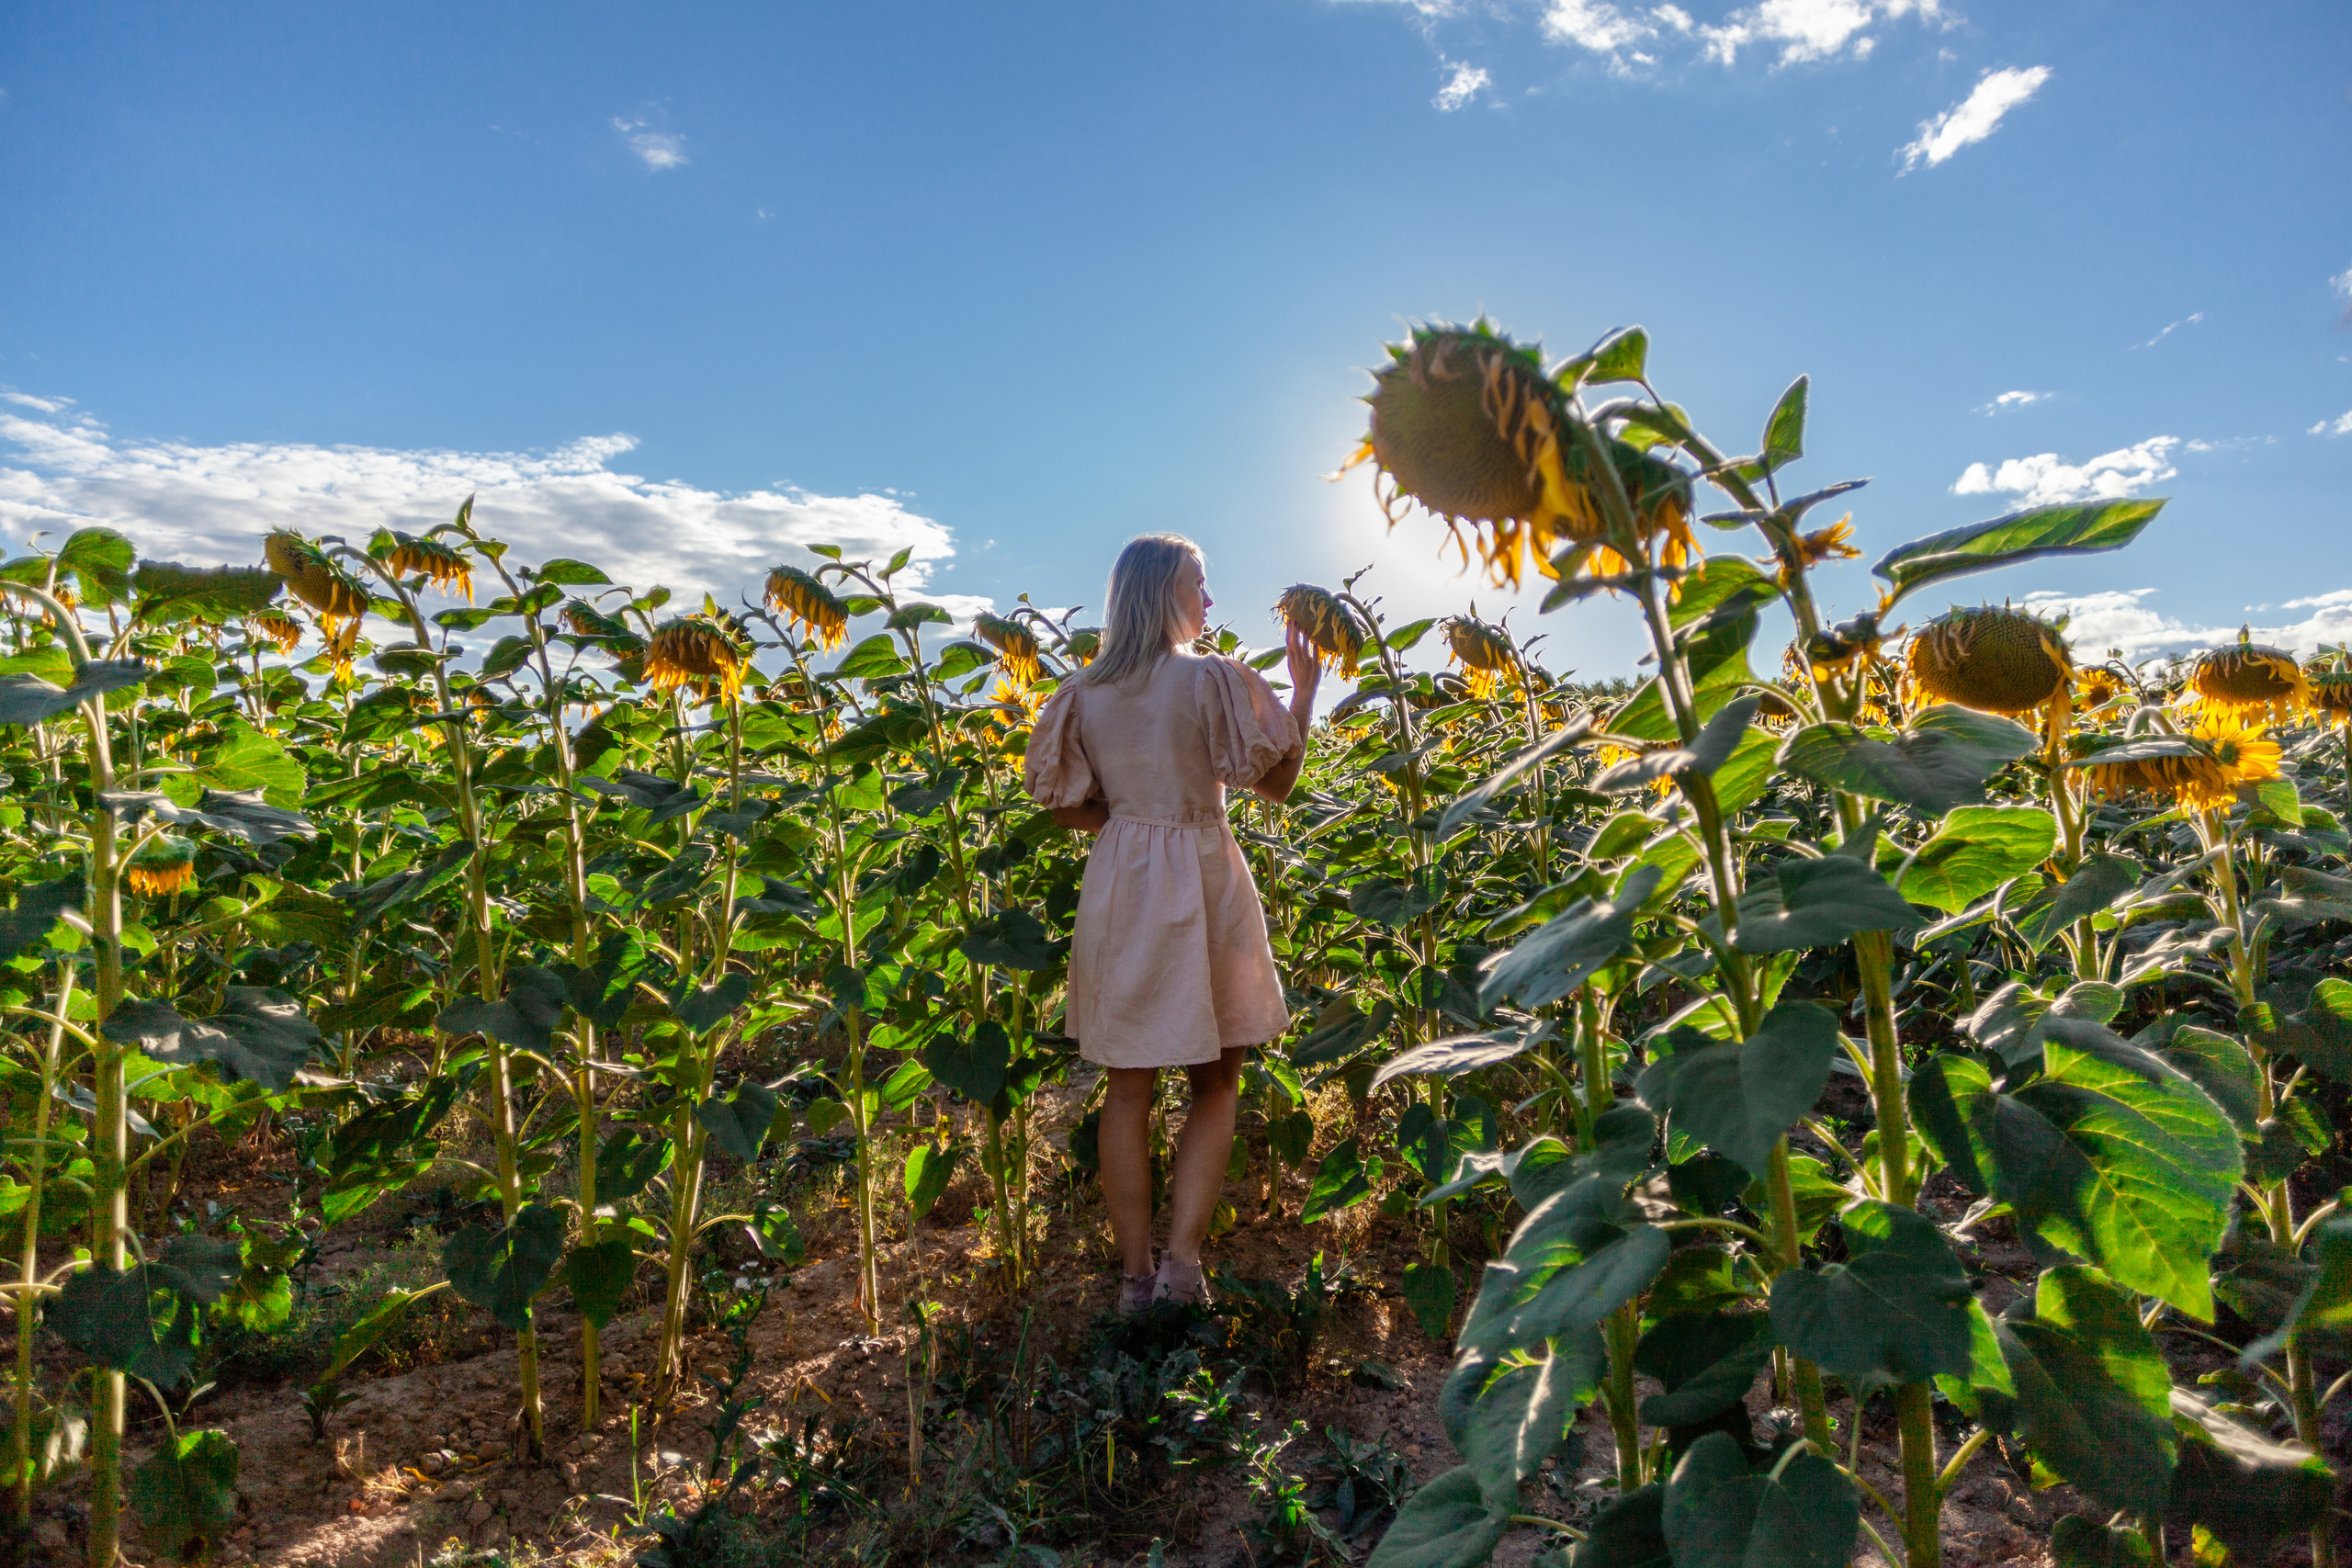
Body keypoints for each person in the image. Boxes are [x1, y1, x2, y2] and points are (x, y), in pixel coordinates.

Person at [1022, 535, 1321, 1311]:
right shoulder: (1210, 678)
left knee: (1128, 1085)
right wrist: (1304, 694)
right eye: (1199, 583)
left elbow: (1063, 809)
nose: (1209, 599)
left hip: (1123, 882)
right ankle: (1182, 1269)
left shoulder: (1083, 692)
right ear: (1164, 593)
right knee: (1216, 1081)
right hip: (1204, 874)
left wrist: (1132, 823)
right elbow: (1279, 784)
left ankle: (1134, 1279)